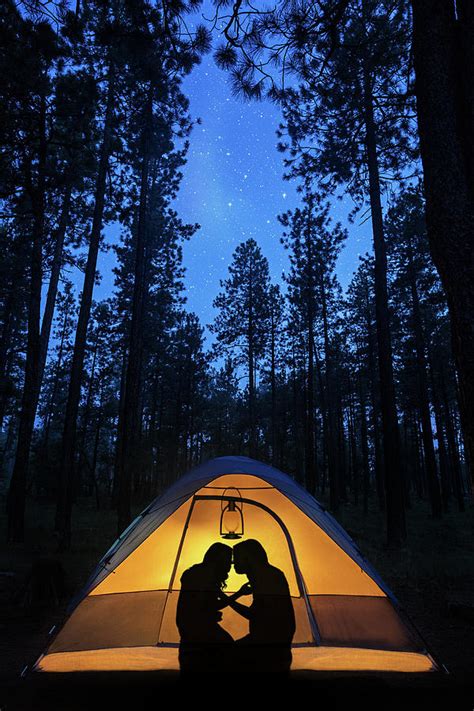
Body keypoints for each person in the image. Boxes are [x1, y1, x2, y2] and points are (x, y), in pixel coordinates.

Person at [176, 542, 250, 674]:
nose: (230, 566)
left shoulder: (197, 573)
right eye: (228, 561)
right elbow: (206, 605)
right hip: (198, 630)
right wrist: (238, 594)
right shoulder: (203, 576)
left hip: (190, 630)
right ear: (219, 560)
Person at [227, 539, 296, 673]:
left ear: (248, 558)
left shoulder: (267, 578)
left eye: (236, 558)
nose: (233, 562)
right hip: (271, 641)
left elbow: (256, 615)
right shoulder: (266, 575)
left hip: (270, 644)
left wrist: (228, 600)